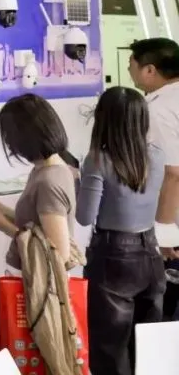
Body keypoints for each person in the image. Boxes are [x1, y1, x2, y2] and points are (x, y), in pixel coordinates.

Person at [76, 86, 166, 374]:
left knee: (110, 354)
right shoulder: (156, 155)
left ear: (103, 119)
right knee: (148, 353)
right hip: (151, 255)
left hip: (112, 259)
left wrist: (79, 180)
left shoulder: (97, 160)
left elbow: (84, 217)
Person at [0, 94, 77, 270]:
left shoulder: (49, 181)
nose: (8, 144)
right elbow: (35, 224)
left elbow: (58, 256)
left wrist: (2, 225)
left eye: (9, 137)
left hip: (41, 282)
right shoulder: (47, 169)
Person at [127, 39, 179, 235]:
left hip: (172, 218)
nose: (129, 71)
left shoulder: (156, 110)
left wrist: (164, 232)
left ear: (149, 70)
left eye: (131, 65)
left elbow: (172, 172)